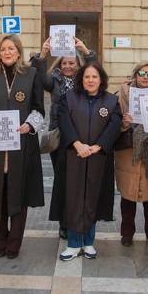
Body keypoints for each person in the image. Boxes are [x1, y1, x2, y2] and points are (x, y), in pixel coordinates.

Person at [0, 35, 45, 258]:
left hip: (21, 145)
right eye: (3, 49)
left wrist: (28, 125)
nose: (7, 52)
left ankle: (14, 243)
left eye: (11, 48)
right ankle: (0, 241)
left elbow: (39, 109)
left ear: (18, 52)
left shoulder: (31, 74)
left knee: (18, 195)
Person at [54, 61, 122, 260]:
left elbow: (114, 125)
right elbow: (63, 120)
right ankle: (74, 244)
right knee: (74, 199)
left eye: (94, 77)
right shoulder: (69, 98)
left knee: (93, 198)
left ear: (101, 79)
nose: (90, 80)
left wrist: (98, 146)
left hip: (98, 158)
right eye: (86, 77)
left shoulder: (111, 101)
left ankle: (89, 242)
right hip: (73, 156)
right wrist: (77, 144)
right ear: (81, 79)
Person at [34, 35, 95, 240]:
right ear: (59, 64)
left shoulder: (85, 80)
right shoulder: (55, 80)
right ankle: (63, 222)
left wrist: (86, 52)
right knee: (62, 181)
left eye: (72, 63)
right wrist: (42, 55)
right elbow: (40, 78)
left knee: (79, 182)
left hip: (82, 136)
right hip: (60, 137)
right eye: (65, 63)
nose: (68, 66)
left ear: (79, 65)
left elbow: (98, 72)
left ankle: (78, 220)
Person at [114, 61, 148, 248]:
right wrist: (124, 123)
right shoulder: (122, 94)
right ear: (135, 75)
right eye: (141, 73)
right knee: (128, 197)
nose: (145, 77)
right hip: (129, 151)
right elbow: (113, 123)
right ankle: (127, 233)